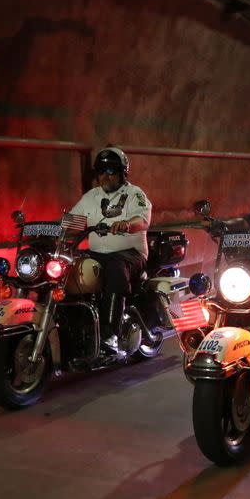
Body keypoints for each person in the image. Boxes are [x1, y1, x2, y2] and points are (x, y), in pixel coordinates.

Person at [69, 145, 152, 353]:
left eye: (111, 171)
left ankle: (110, 333)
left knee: (115, 265)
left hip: (130, 254)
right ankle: (76, 327)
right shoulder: (91, 197)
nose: (106, 176)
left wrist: (127, 224)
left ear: (123, 173)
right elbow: (73, 221)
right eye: (101, 172)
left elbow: (142, 220)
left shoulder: (134, 194)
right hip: (97, 254)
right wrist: (51, 227)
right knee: (69, 264)